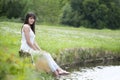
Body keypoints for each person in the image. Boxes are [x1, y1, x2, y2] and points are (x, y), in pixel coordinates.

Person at [20, 12, 69, 76]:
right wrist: (37, 50)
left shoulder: (30, 27)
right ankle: (57, 72)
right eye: (30, 18)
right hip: (26, 50)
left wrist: (40, 50)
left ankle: (58, 70)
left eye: (33, 18)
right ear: (27, 18)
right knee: (45, 55)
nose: (32, 20)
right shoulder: (26, 26)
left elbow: (34, 42)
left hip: (30, 49)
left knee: (46, 54)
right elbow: (28, 42)